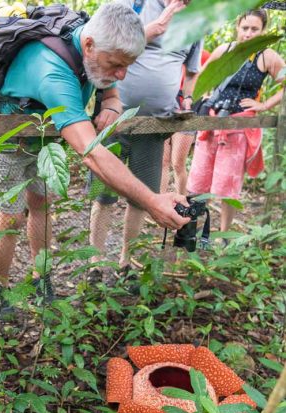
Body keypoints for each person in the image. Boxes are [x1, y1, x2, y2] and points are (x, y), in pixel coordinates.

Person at [0, 2, 190, 310]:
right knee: (12, 216)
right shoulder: (53, 72)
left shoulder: (92, 48)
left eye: (128, 65)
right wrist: (152, 201)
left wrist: (111, 101)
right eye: (115, 65)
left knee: (41, 204)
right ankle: (0, 289)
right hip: (11, 140)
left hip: (46, 138)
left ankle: (40, 276)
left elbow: (108, 86)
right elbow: (92, 154)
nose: (121, 75)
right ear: (89, 45)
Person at [88, 0, 202, 278]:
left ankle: (125, 263)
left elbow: (193, 69)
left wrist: (186, 98)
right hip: (114, 120)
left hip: (155, 127)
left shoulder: (197, 20)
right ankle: (94, 266)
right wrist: (157, 25)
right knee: (103, 196)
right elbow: (103, 45)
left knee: (143, 199)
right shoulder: (133, 5)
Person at [187, 9, 285, 237]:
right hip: (213, 121)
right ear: (237, 28)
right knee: (198, 178)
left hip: (238, 128)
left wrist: (265, 105)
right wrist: (205, 94)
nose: (249, 34)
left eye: (254, 29)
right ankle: (190, 228)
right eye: (245, 28)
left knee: (227, 186)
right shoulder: (225, 50)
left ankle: (222, 236)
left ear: (263, 31)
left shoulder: (266, 55)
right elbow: (201, 74)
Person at [160, 49, 211, 195]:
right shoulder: (168, 50)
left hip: (188, 109)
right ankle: (160, 204)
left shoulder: (204, 55)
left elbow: (209, 80)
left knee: (177, 163)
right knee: (162, 161)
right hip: (166, 106)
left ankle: (181, 205)